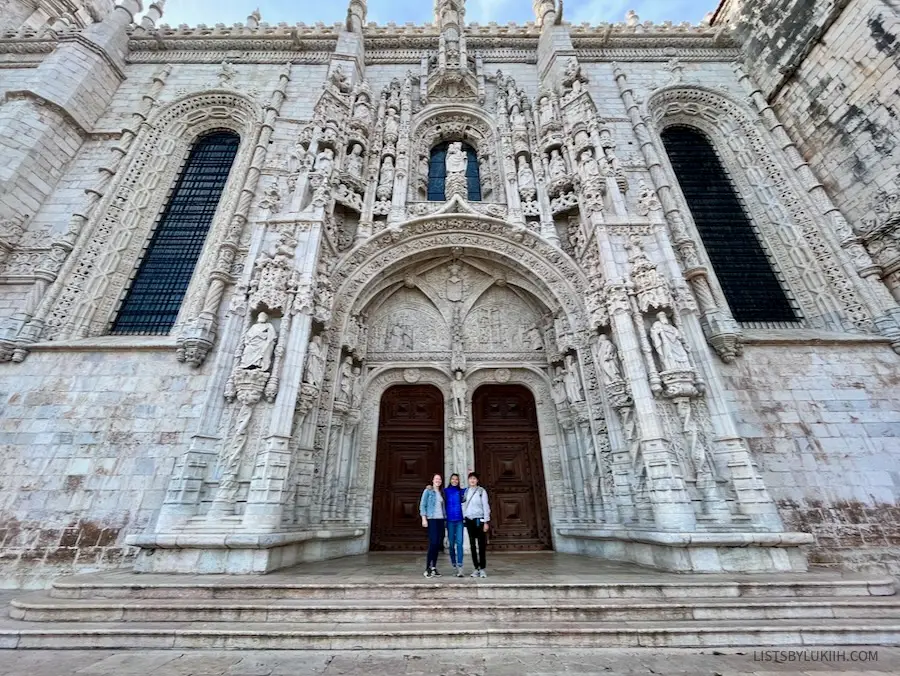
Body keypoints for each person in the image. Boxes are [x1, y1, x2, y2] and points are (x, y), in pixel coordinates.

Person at [462, 472, 491, 578]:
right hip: (469, 520)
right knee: (472, 545)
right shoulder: (466, 491)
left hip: (480, 520)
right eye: (470, 479)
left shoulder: (481, 491)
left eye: (474, 479)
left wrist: (486, 522)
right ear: (468, 480)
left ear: (477, 480)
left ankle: (482, 568)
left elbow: (485, 506)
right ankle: (476, 568)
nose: (472, 480)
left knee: (481, 545)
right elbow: (463, 504)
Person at [419, 473, 446, 578]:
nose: (438, 480)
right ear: (432, 480)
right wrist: (423, 518)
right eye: (436, 479)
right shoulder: (428, 491)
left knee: (438, 544)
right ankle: (427, 568)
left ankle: (434, 567)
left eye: (439, 479)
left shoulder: (441, 492)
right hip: (432, 519)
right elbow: (423, 505)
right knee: (433, 543)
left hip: (440, 520)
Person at [444, 474, 466, 577]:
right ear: (450, 480)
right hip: (449, 520)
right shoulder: (446, 491)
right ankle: (454, 562)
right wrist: (429, 487)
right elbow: (436, 491)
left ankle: (460, 565)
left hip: (459, 520)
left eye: (456, 479)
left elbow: (470, 489)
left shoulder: (461, 491)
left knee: (460, 543)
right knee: (452, 544)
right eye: (453, 479)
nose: (454, 481)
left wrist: (470, 473)